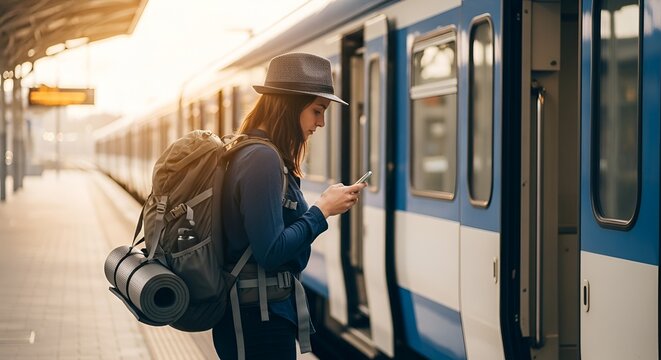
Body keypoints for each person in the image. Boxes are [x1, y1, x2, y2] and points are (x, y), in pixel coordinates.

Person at [212, 52, 366, 359]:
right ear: (290, 106)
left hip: (258, 315)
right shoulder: (261, 159)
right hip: (258, 324)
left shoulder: (260, 155)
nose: (321, 122)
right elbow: (271, 252)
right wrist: (322, 210)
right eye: (317, 110)